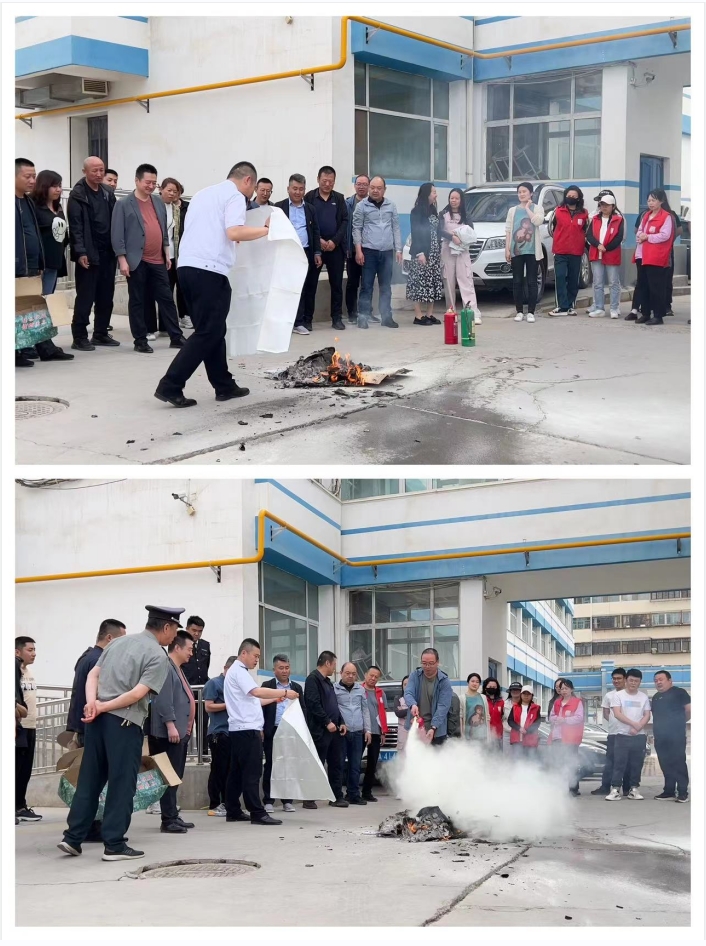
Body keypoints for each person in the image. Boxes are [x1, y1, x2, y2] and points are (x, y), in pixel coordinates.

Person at [57, 605, 181, 861]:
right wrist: (104, 706)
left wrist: (93, 704)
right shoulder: (158, 656)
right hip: (124, 724)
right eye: (175, 630)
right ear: (167, 627)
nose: (174, 637)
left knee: (89, 780)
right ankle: (114, 844)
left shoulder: (117, 643)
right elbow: (138, 693)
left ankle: (72, 838)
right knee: (122, 785)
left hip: (96, 722)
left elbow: (93, 675)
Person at [154, 161, 269, 409]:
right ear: (248, 180)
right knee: (208, 332)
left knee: (214, 330)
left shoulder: (203, 194)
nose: (250, 196)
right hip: (210, 270)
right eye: (252, 189)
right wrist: (265, 229)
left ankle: (223, 385)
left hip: (187, 268)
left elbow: (210, 230)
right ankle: (170, 384)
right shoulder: (235, 196)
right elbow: (234, 232)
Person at [110, 163, 185, 354]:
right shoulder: (123, 204)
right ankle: (140, 340)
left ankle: (176, 336)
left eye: (154, 183)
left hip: (158, 259)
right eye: (147, 182)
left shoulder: (158, 202)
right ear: (137, 180)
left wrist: (166, 252)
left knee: (166, 298)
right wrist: (122, 260)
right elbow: (117, 234)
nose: (151, 186)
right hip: (136, 260)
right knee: (138, 300)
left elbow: (163, 229)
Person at [223, 638, 297, 825]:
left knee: (237, 773)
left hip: (240, 729)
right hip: (247, 730)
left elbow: (253, 700)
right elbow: (256, 692)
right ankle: (257, 812)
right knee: (252, 773)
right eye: (255, 656)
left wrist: (274, 699)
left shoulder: (238, 672)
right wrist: (284, 693)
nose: (257, 660)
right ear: (244, 653)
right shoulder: (239, 671)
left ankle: (233, 810)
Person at [15, 158, 73, 367]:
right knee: (20, 308)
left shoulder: (28, 202)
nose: (32, 180)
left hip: (35, 264)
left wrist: (39, 261)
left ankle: (41, 347)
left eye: (34, 176)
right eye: (27, 176)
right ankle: (20, 349)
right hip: (18, 265)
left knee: (35, 307)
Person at [67, 156, 119, 351]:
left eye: (101, 170)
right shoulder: (78, 195)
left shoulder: (107, 192)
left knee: (106, 296)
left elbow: (116, 220)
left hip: (108, 253)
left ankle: (100, 333)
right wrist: (80, 251)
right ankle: (79, 336)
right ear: (84, 172)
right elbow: (76, 226)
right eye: (94, 170)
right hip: (88, 254)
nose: (98, 174)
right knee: (85, 297)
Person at [147, 630, 196, 833]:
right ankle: (168, 820)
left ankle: (173, 815)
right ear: (177, 647)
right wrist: (170, 724)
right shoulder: (166, 667)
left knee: (175, 775)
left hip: (179, 732)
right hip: (168, 733)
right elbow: (163, 699)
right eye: (189, 649)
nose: (191, 653)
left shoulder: (177, 669)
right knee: (168, 776)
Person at [352, 176, 403, 329]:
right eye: (372, 187)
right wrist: (358, 251)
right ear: (369, 188)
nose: (375, 190)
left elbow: (395, 228)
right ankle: (363, 317)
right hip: (369, 252)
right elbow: (357, 229)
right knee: (366, 286)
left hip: (387, 252)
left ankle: (386, 317)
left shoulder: (391, 205)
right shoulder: (361, 206)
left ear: (384, 190)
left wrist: (398, 249)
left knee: (386, 287)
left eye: (379, 188)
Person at [67, 620, 127, 745]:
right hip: (92, 725)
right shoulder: (100, 661)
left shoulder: (87, 656)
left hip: (83, 724)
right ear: (109, 638)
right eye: (122, 639)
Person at [145, 177, 192, 338]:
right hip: (154, 255)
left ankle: (165, 327)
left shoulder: (175, 209)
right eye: (169, 190)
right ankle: (149, 328)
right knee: (151, 292)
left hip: (171, 255)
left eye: (175, 191)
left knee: (167, 292)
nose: (172, 194)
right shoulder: (153, 206)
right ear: (161, 189)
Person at [275, 174, 322, 336]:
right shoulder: (279, 208)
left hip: (305, 252)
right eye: (294, 188)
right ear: (288, 189)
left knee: (304, 287)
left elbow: (315, 231)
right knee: (286, 288)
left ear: (304, 190)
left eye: (301, 189)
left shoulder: (310, 209)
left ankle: (300, 322)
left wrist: (317, 252)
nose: (297, 192)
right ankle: (284, 321)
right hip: (286, 253)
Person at [305, 166, 348, 331]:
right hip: (316, 248)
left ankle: (336, 318)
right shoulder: (309, 197)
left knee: (336, 285)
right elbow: (306, 222)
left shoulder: (339, 198)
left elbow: (344, 221)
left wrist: (334, 241)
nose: (327, 184)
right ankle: (307, 319)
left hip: (335, 249)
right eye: (324, 181)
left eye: (331, 181)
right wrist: (319, 241)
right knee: (311, 284)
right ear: (318, 180)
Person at [303, 651, 347, 808]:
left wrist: (341, 722)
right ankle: (309, 798)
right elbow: (313, 704)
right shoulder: (312, 680)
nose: (335, 668)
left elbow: (334, 705)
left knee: (336, 764)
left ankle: (336, 796)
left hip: (334, 730)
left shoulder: (328, 682)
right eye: (334, 664)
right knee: (317, 764)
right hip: (320, 731)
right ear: (327, 663)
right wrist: (327, 721)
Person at [261, 654, 304, 813]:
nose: (285, 671)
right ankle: (268, 800)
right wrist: (261, 729)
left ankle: (287, 801)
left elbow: (303, 710)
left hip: (290, 732)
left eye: (287, 668)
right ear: (274, 670)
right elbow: (261, 709)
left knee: (289, 765)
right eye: (281, 668)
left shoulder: (296, 688)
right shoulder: (267, 685)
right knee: (271, 765)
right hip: (272, 730)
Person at [632, 189, 676, 326]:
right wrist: (640, 236)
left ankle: (658, 315)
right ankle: (645, 313)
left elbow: (665, 235)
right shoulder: (646, 215)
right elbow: (639, 230)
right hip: (642, 255)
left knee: (656, 287)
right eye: (649, 200)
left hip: (656, 256)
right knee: (643, 285)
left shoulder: (666, 217)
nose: (650, 203)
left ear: (661, 201)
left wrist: (648, 237)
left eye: (654, 200)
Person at [605, 669, 651, 801]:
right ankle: (615, 789)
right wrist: (634, 724)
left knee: (636, 764)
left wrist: (638, 727)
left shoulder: (643, 697)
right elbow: (617, 713)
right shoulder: (618, 695)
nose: (633, 683)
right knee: (619, 764)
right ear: (626, 680)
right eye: (631, 680)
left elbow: (647, 715)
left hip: (639, 736)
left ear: (640, 682)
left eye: (636, 681)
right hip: (622, 735)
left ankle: (634, 789)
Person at [438, 187, 481, 324]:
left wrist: (460, 237)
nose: (454, 201)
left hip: (462, 250)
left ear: (461, 200)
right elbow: (439, 231)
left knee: (466, 280)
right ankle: (451, 312)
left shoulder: (466, 215)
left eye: (456, 198)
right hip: (447, 249)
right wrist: (451, 237)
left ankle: (471, 312)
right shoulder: (443, 214)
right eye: (452, 198)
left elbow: (471, 232)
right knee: (449, 281)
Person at [505, 182, 544, 324]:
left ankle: (531, 312)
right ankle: (519, 311)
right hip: (517, 250)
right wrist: (507, 249)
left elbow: (537, 221)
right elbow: (508, 230)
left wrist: (527, 208)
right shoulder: (512, 210)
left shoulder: (537, 208)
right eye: (519, 192)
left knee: (532, 281)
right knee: (517, 281)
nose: (521, 194)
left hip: (532, 251)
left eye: (524, 191)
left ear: (531, 193)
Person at [334, 662, 372, 805]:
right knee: (339, 765)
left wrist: (368, 730)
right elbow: (333, 709)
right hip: (342, 733)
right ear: (341, 673)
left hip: (358, 733)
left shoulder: (360, 689)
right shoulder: (334, 689)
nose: (350, 676)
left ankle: (353, 794)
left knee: (355, 765)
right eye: (347, 673)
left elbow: (365, 710)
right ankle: (337, 795)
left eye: (353, 674)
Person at [203, 656, 237, 816]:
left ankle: (226, 802)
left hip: (234, 732)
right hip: (219, 733)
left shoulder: (236, 685)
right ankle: (215, 803)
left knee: (230, 770)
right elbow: (208, 706)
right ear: (225, 668)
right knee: (219, 770)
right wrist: (229, 705)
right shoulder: (214, 683)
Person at [406, 182, 444, 326]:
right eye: (433, 192)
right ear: (426, 194)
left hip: (434, 253)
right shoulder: (416, 211)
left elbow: (437, 231)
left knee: (432, 283)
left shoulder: (433, 210)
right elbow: (416, 233)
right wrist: (420, 253)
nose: (436, 195)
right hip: (422, 253)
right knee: (419, 283)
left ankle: (429, 314)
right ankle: (418, 316)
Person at [548, 185, 588, 316]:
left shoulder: (584, 213)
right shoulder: (558, 211)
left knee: (573, 279)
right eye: (569, 196)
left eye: (574, 196)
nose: (571, 198)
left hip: (576, 251)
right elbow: (551, 228)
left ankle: (570, 306)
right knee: (560, 277)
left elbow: (587, 230)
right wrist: (559, 238)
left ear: (579, 198)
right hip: (560, 250)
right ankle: (561, 306)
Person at [591, 667, 631, 797]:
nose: (616, 681)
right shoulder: (609, 695)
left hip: (628, 734)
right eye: (614, 679)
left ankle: (627, 788)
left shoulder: (630, 695)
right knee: (610, 762)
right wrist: (615, 722)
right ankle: (605, 786)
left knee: (627, 762)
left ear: (625, 679)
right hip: (613, 734)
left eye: (619, 678)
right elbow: (606, 713)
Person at [651, 670, 690, 802]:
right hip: (660, 736)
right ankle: (669, 791)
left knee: (678, 763)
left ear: (669, 680)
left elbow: (689, 710)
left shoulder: (680, 692)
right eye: (656, 680)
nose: (658, 682)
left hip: (676, 735)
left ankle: (683, 792)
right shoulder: (656, 697)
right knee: (665, 763)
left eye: (661, 679)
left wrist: (678, 722)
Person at [403, 648, 453, 747]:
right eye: (424, 663)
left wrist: (433, 727)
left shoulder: (444, 681)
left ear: (437, 662)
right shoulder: (414, 676)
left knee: (436, 756)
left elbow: (443, 706)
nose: (427, 667)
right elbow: (408, 693)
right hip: (416, 727)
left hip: (437, 730)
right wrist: (412, 705)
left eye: (431, 663)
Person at [586, 193, 625, 319]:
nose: (604, 207)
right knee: (598, 282)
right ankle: (599, 308)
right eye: (602, 205)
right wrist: (598, 245)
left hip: (611, 253)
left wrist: (606, 247)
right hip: (596, 253)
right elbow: (589, 235)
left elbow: (619, 237)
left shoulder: (618, 219)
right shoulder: (595, 219)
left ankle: (614, 308)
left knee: (613, 282)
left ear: (613, 206)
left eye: (607, 205)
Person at [15, 637, 40, 822]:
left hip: (31, 725)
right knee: (15, 769)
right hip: (19, 727)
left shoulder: (29, 672)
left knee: (25, 771)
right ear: (17, 652)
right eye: (30, 650)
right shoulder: (12, 671)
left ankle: (20, 806)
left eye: (34, 650)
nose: (34, 654)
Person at [32, 170, 69, 296]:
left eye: (60, 186)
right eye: (54, 186)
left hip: (55, 260)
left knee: (48, 297)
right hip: (39, 263)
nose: (58, 189)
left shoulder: (58, 207)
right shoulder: (34, 206)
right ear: (44, 186)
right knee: (35, 299)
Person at [181, 615, 211, 757]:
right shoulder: (180, 644)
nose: (197, 634)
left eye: (200, 631)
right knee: (186, 723)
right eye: (194, 630)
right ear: (187, 628)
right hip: (187, 690)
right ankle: (184, 753)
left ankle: (203, 753)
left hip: (202, 690)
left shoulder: (205, 645)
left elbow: (206, 666)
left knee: (203, 722)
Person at [549, 679, 585, 796]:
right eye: (562, 688)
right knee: (559, 762)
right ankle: (560, 787)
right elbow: (551, 717)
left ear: (571, 689)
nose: (564, 691)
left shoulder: (577, 702)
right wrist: (557, 719)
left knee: (571, 763)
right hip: (557, 736)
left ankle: (573, 788)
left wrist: (565, 720)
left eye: (566, 688)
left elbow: (579, 717)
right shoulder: (557, 702)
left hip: (570, 737)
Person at [345, 175, 372, 325]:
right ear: (355, 186)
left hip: (370, 250)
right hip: (353, 250)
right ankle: (352, 313)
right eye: (359, 184)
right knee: (352, 283)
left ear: (369, 186)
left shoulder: (373, 203)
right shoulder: (348, 204)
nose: (361, 187)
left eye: (364, 184)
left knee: (367, 283)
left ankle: (366, 312)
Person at [361, 665, 389, 801]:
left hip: (376, 732)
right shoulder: (358, 690)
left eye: (376, 677)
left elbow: (382, 713)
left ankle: (367, 792)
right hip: (361, 731)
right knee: (355, 762)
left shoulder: (380, 693)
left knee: (372, 764)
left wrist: (384, 732)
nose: (373, 678)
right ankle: (352, 793)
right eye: (371, 675)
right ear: (365, 675)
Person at [507, 685, 542, 757]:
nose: (526, 696)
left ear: (532, 696)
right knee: (517, 759)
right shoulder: (515, 707)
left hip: (531, 739)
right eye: (524, 693)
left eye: (528, 694)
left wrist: (527, 730)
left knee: (531, 759)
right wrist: (519, 728)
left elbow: (537, 722)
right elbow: (510, 720)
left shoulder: (536, 708)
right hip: (517, 739)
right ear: (521, 695)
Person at [464, 672, 490, 744]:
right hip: (469, 735)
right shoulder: (462, 698)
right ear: (468, 682)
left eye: (477, 682)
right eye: (472, 681)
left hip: (482, 735)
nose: (475, 683)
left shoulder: (483, 697)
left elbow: (487, 715)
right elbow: (461, 717)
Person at [482, 676, 505, 751]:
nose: (492, 688)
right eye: (490, 687)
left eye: (494, 687)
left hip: (498, 735)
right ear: (485, 688)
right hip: (484, 735)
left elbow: (503, 717)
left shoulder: (501, 702)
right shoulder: (481, 700)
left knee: (497, 756)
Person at [503, 682, 522, 750]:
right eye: (513, 690)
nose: (515, 691)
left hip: (521, 733)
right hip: (507, 733)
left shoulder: (526, 703)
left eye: (517, 690)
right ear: (510, 691)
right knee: (507, 754)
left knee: (520, 754)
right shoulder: (504, 704)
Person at [394, 675, 410, 754]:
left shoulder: (418, 698)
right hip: (402, 730)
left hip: (415, 730)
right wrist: (410, 710)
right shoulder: (398, 698)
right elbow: (398, 713)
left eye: (408, 684)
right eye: (404, 684)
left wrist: (404, 710)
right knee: (402, 754)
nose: (406, 687)